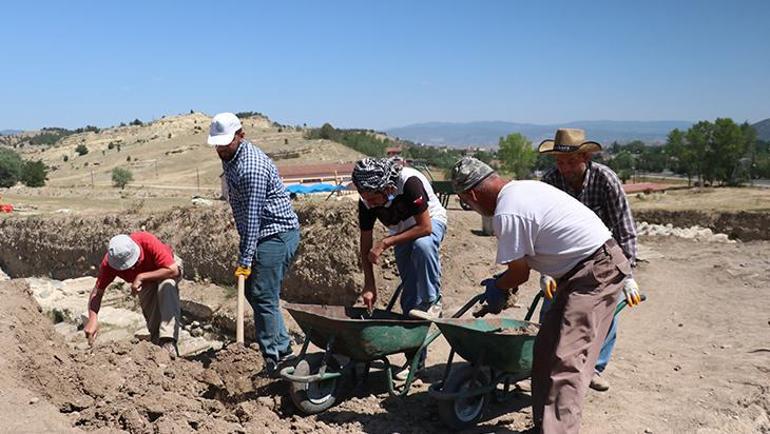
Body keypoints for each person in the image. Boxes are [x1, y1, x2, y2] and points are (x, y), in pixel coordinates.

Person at [451, 157, 632, 433]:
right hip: (576, 273)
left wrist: (498, 288)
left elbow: (518, 274)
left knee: (567, 360)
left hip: (597, 271)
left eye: (467, 203)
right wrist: (505, 284)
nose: (473, 208)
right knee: (546, 350)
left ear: (472, 194)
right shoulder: (520, 190)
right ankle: (545, 425)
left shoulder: (507, 212)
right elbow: (524, 264)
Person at [538, 128, 641, 392]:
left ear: (585, 157)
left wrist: (626, 276)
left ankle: (595, 367)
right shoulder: (550, 181)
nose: (565, 168)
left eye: (571, 162)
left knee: (606, 309)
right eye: (560, 162)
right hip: (564, 256)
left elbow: (625, 228)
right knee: (551, 309)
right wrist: (545, 269)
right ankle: (546, 363)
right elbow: (543, 228)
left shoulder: (605, 179)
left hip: (604, 255)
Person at [208, 112, 300, 375]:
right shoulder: (231, 157)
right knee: (254, 293)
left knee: (262, 294)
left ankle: (278, 357)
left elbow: (253, 218)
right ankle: (280, 345)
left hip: (276, 233)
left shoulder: (252, 167)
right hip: (261, 232)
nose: (221, 148)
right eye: (217, 143)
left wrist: (245, 259)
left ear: (241, 135)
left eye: (225, 142)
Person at [352, 157, 447, 378]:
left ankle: (433, 299)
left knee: (423, 245)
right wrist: (369, 285)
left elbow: (425, 228)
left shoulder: (410, 183)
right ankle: (415, 362)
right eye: (366, 199)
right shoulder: (366, 201)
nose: (371, 204)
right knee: (410, 299)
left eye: (374, 198)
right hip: (401, 233)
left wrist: (385, 242)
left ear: (386, 186)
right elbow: (366, 243)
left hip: (430, 222)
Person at [84, 232, 183, 358]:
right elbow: (97, 293)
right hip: (146, 282)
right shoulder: (109, 263)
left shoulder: (146, 241)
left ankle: (168, 341)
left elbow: (173, 270)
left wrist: (141, 276)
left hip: (167, 269)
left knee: (166, 286)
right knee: (153, 319)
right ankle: (161, 351)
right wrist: (92, 319)